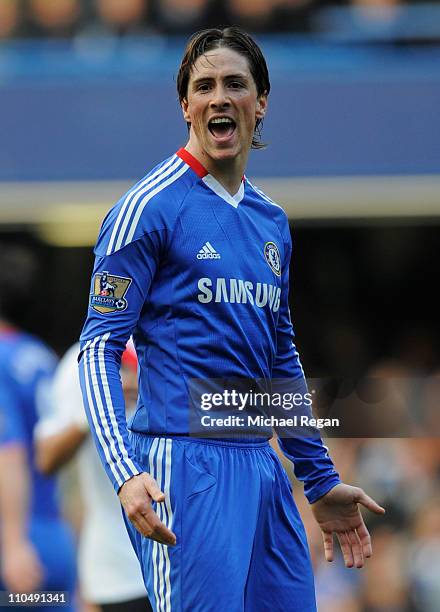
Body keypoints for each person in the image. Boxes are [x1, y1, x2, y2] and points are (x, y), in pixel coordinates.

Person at [78, 26, 385, 611]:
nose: (219, 97)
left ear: (260, 102)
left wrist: (317, 478)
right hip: (183, 463)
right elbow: (98, 347)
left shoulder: (271, 220)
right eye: (205, 86)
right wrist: (123, 472)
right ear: (186, 106)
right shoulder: (146, 208)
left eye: (235, 84)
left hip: (262, 468)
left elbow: (280, 357)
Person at [35, 341, 151, 612]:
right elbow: (46, 458)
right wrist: (101, 408)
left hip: (198, 564)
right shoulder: (88, 357)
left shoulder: (197, 339)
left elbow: (251, 415)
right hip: (120, 573)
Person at [0, 244, 76, 610]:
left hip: (16, 543)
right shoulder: (41, 357)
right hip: (54, 534)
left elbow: (7, 449)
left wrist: (13, 542)